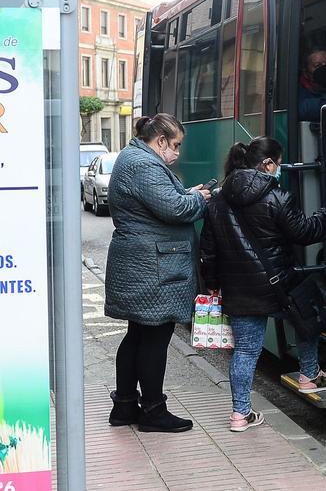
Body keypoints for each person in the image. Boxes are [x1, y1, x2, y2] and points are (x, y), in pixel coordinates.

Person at [199, 136, 326, 432]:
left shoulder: (219, 199)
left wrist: (212, 283)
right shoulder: (277, 196)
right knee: (308, 318)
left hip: (238, 288)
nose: (279, 169)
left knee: (246, 351)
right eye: (277, 163)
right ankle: (309, 375)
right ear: (267, 164)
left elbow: (208, 249)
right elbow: (303, 231)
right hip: (278, 283)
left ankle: (240, 414)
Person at [103, 113, 213, 433]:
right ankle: (152, 410)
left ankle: (125, 405)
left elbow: (161, 201)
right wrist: (197, 198)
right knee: (154, 337)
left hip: (145, 264)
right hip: (152, 268)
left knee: (137, 335)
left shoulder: (136, 158)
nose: (177, 151)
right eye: (175, 144)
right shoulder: (143, 164)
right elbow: (175, 209)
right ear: (160, 141)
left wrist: (186, 193)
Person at [297, 48, 326, 121]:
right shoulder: (298, 91)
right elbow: (302, 109)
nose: (324, 68)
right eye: (317, 65)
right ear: (306, 73)